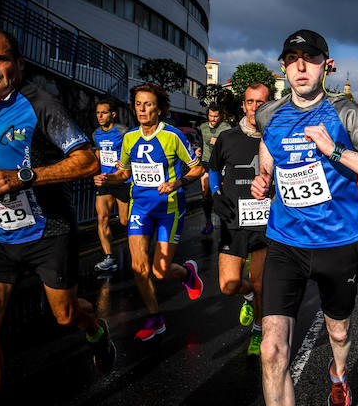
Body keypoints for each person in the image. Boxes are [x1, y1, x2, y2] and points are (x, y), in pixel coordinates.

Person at [0, 29, 115, 406]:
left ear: (18, 64)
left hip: (47, 232)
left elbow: (88, 159)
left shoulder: (40, 104)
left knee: (65, 314)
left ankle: (96, 330)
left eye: (0, 59)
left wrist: (22, 177)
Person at [250, 29, 358, 406]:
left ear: (325, 65)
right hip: (285, 244)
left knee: (338, 332)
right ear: (283, 67)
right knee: (272, 350)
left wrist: (335, 151)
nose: (300, 66)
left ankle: (338, 375)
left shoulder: (347, 113)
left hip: (336, 245)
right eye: (292, 59)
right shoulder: (269, 116)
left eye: (310, 59)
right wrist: (264, 179)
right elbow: (269, 154)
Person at [95, 83, 204, 341]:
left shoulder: (173, 135)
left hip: (169, 208)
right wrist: (107, 179)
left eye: (148, 104)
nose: (142, 109)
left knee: (160, 270)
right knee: (138, 267)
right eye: (138, 104)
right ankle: (155, 317)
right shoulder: (129, 138)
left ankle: (187, 272)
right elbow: (124, 172)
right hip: (140, 207)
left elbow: (197, 168)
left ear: (159, 109)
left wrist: (178, 182)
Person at [208, 82, 273, 355]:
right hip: (234, 220)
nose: (254, 108)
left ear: (268, 105)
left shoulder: (275, 137)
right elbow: (213, 170)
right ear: (243, 105)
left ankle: (259, 330)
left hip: (266, 222)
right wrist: (215, 194)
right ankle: (247, 297)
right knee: (228, 285)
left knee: (261, 283)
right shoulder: (228, 137)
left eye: (261, 102)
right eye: (250, 102)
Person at [92, 99, 130, 274]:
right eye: (98, 113)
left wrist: (123, 163)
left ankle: (140, 249)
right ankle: (109, 258)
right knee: (102, 218)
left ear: (112, 114)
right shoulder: (96, 134)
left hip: (122, 181)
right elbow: (98, 155)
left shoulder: (123, 132)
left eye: (104, 113)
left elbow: (131, 153)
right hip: (105, 181)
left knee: (125, 221)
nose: (100, 116)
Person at [199, 104, 232, 235]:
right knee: (205, 193)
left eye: (216, 116)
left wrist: (219, 142)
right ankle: (208, 222)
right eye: (211, 116)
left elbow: (230, 146)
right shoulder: (202, 127)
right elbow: (200, 142)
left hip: (222, 164)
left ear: (221, 116)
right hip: (207, 163)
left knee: (222, 193)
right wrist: (197, 149)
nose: (213, 119)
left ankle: (226, 222)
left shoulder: (226, 128)